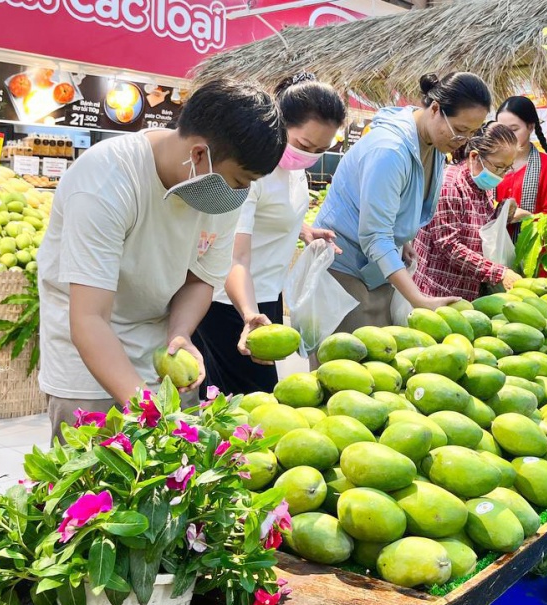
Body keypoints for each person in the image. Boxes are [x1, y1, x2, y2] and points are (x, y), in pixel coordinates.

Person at [37, 79, 286, 438]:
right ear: (199, 154)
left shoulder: (223, 189)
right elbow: (89, 318)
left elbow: (201, 277)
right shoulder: (106, 181)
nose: (242, 194)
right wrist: (150, 412)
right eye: (239, 180)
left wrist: (180, 334)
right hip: (90, 363)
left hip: (164, 356)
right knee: (93, 481)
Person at [193, 73, 346, 395]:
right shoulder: (250, 173)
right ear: (279, 123)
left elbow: (273, 213)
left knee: (230, 400)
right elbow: (235, 256)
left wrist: (302, 230)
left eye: (321, 149)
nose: (310, 155)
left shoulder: (293, 168)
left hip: (267, 294)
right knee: (254, 401)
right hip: (229, 302)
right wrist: (249, 315)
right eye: (304, 145)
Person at [313, 72, 492, 331]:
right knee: (346, 359)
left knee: (378, 358)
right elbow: (375, 236)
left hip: (378, 268)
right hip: (344, 270)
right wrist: (418, 299)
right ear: (434, 109)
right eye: (460, 130)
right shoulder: (390, 150)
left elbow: (401, 201)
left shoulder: (434, 143)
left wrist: (405, 239)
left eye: (471, 133)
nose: (461, 141)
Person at [413, 123, 523, 300]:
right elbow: (448, 245)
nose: (501, 175)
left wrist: (502, 214)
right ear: (475, 156)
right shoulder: (449, 186)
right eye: (498, 166)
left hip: (467, 291)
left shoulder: (480, 185)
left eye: (507, 168)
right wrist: (499, 273)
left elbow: (477, 230)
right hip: (438, 293)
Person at [495, 96, 547, 228]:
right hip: (491, 243)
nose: (506, 136)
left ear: (530, 127)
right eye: (501, 129)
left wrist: (527, 217)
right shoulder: (490, 161)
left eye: (514, 129)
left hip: (530, 242)